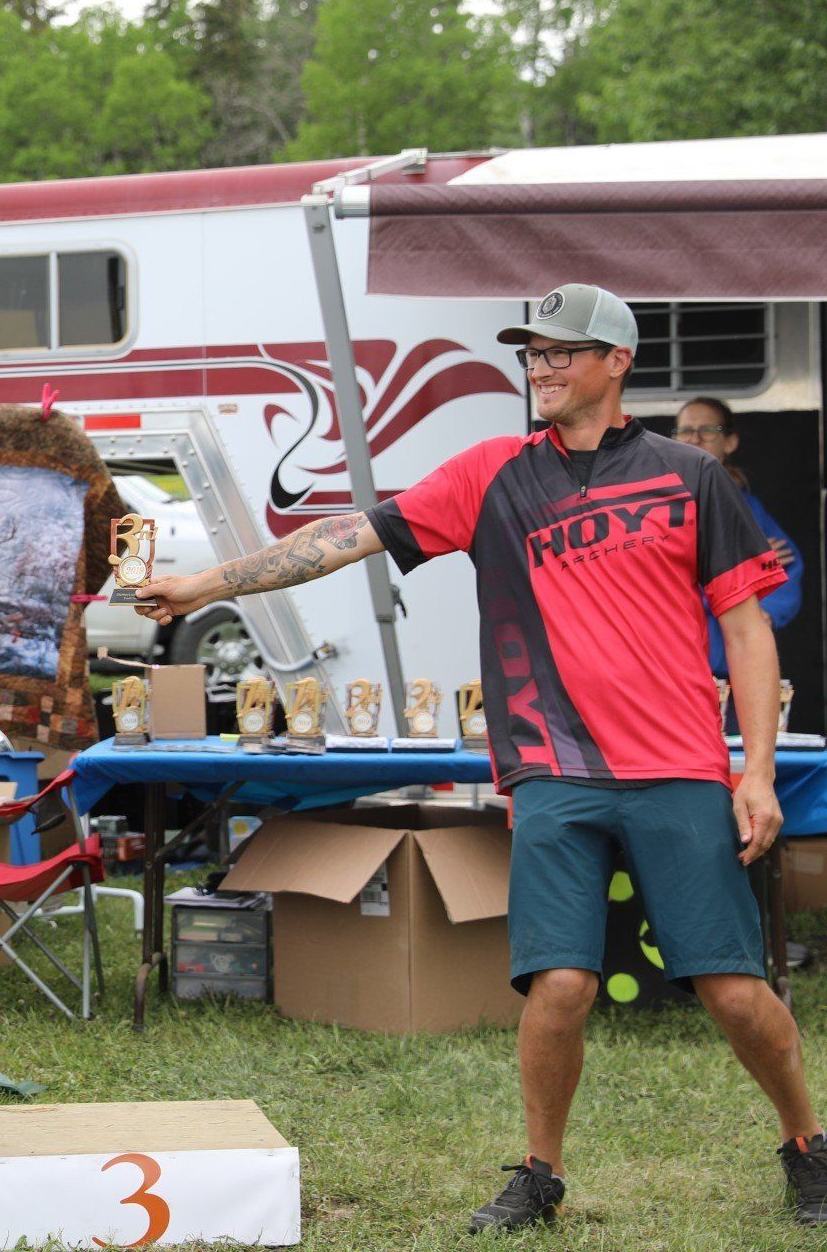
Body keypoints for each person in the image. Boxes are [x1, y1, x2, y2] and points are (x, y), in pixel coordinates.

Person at [136, 283, 827, 1230]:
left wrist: (752, 772)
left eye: (559, 352)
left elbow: (747, 632)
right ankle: (539, 1175)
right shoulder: (493, 473)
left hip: (676, 769)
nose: (539, 368)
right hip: (551, 768)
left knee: (736, 992)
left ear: (616, 361)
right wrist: (203, 585)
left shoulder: (687, 475)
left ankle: (805, 1146)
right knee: (561, 984)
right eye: (530, 353)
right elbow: (349, 537)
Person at [672, 396, 804, 683]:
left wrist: (765, 612)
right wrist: (743, 567)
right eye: (684, 431)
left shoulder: (746, 507)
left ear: (730, 442)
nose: (694, 439)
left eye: (707, 430)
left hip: (732, 669)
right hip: (673, 665)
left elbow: (787, 567)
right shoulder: (655, 505)